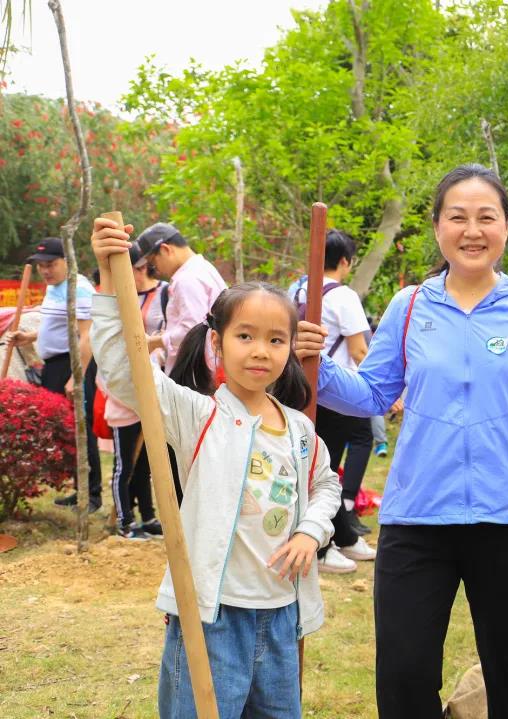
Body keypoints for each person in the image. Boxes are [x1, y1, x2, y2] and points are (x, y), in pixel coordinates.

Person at [294, 164, 508, 719]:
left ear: (506, 228)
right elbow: (374, 393)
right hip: (418, 519)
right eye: (458, 217)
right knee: (403, 676)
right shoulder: (410, 307)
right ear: (437, 228)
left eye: (486, 217)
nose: (472, 230)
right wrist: (314, 364)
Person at [90, 217, 341, 718]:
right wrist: (106, 277)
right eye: (245, 335)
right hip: (213, 615)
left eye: (275, 340)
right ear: (217, 342)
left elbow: (325, 484)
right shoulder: (198, 414)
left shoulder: (298, 429)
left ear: (291, 349)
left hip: (280, 615)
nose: (260, 351)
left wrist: (311, 532)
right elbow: (123, 368)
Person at [293, 229, 378, 572]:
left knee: (316, 463)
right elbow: (359, 350)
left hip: (304, 389)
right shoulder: (343, 296)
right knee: (325, 468)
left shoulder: (299, 289)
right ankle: (327, 543)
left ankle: (343, 535)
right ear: (345, 261)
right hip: (339, 391)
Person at [10, 236, 102, 512]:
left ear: (67, 261)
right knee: (65, 431)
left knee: (82, 429)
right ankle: (79, 489)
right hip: (54, 365)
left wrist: (77, 376)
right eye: (41, 266)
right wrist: (29, 337)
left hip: (73, 365)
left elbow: (87, 336)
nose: (45, 271)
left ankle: (93, 495)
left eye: (51, 264)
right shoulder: (54, 288)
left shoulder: (80, 289)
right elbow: (58, 326)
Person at [105, 243, 169, 539]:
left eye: (143, 267)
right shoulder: (114, 304)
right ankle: (124, 522)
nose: (140, 273)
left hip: (149, 391)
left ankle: (148, 517)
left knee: (147, 461)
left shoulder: (161, 294)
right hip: (123, 400)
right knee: (124, 465)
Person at [133, 222, 227, 375]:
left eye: (153, 262)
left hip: (196, 374)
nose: (155, 269)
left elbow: (192, 331)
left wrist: (155, 342)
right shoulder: (203, 268)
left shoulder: (187, 279)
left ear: (165, 250)